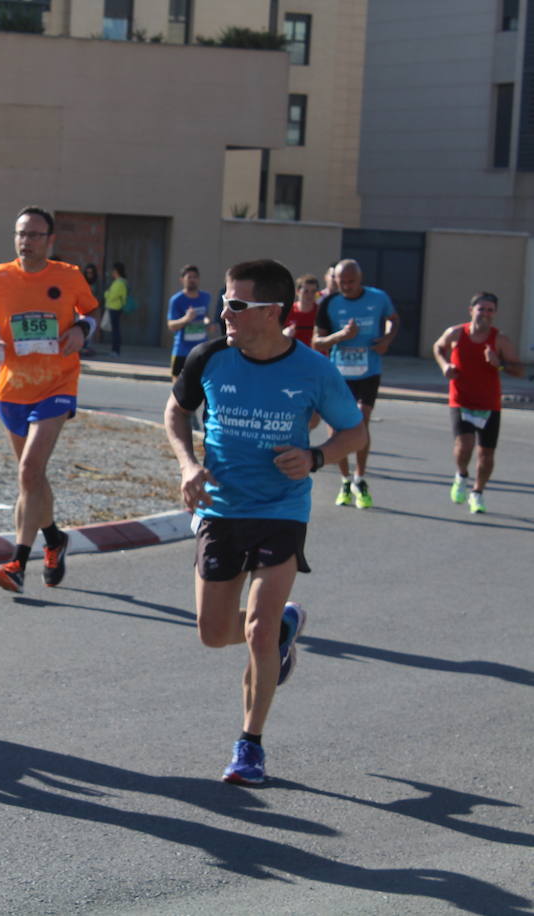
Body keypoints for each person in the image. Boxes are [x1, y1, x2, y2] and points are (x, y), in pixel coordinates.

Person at [164, 259, 366, 785]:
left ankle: (249, 745)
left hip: (281, 508)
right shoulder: (208, 358)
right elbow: (175, 412)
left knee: (256, 631)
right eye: (224, 302)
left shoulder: (314, 370)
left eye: (235, 305)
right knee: (213, 634)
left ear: (272, 312)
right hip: (221, 508)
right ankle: (286, 630)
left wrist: (318, 459)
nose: (223, 312)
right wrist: (188, 465)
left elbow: (354, 432)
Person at [0, 206, 98, 594]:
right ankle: (55, 539)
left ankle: (17, 562)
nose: (26, 241)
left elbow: (92, 311)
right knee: (33, 476)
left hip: (57, 383)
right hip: (12, 388)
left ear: (50, 240)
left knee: (28, 472)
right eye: (21, 234)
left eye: (35, 235)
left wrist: (81, 329)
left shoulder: (68, 276)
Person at [313, 259, 399, 509]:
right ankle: (345, 480)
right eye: (342, 282)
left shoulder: (378, 298)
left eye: (351, 282)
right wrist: (341, 336)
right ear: (336, 280)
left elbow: (394, 319)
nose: (347, 286)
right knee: (338, 430)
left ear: (360, 280)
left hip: (368, 371)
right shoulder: (329, 302)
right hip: (339, 374)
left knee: (361, 423)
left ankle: (360, 478)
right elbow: (317, 342)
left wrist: (387, 339)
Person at [432, 292, 525, 514]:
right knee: (464, 445)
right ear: (471, 310)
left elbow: (520, 370)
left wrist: (499, 363)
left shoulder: (500, 339)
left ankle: (477, 492)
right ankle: (461, 475)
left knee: (486, 454)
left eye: (490, 310)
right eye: (481, 309)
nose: (485, 314)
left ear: (495, 314)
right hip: (461, 399)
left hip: (489, 403)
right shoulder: (455, 333)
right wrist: (445, 365)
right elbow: (438, 347)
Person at [167, 264, 217, 378]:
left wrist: (208, 323)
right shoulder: (176, 300)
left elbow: (206, 315)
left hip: (201, 349)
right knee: (178, 385)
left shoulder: (205, 297)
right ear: (182, 280)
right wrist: (186, 319)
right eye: (189, 277)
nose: (192, 280)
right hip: (181, 350)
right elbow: (171, 325)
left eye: (195, 277)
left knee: (200, 384)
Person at [282, 274, 319, 346]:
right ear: (297, 291)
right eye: (306, 291)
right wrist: (284, 334)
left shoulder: (321, 312)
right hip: (295, 354)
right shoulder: (288, 311)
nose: (310, 295)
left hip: (316, 354)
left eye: (313, 291)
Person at [103, 261, 128, 356]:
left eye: (113, 270)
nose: (112, 272)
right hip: (114, 308)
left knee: (115, 331)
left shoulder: (120, 282)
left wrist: (106, 293)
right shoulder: (119, 282)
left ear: (117, 271)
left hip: (115, 308)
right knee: (115, 330)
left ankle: (115, 350)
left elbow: (111, 296)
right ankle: (115, 350)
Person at [82, 262, 102, 356]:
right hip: (82, 307)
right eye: (88, 272)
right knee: (82, 326)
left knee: (91, 327)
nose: (89, 274)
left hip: (92, 308)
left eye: (91, 273)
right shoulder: (82, 281)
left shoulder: (96, 283)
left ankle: (86, 346)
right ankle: (82, 346)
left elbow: (99, 295)